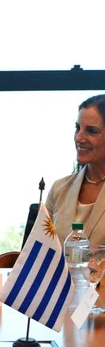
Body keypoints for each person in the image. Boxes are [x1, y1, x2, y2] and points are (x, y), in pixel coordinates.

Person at [46, 94, 105, 246]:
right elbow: (42, 249)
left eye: (91, 131)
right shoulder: (59, 189)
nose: (79, 137)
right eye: (78, 128)